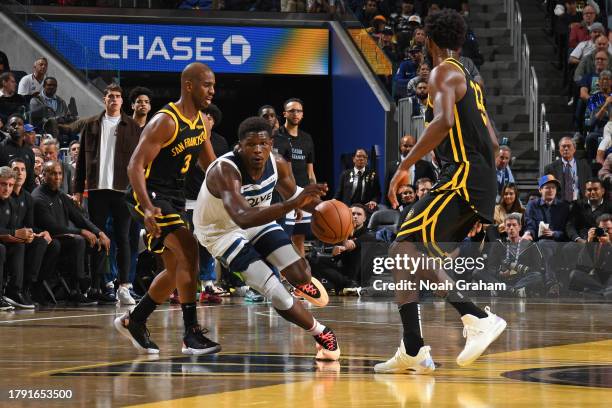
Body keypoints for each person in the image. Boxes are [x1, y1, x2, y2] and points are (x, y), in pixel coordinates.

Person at [382, 9, 506, 374]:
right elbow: (494, 141)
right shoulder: (467, 74)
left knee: (403, 247)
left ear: (429, 40)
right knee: (405, 250)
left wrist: (404, 166)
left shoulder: (442, 71)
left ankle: (475, 317)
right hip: (472, 176)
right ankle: (412, 347)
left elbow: (444, 121)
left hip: (463, 175)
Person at [193, 116, 340, 360]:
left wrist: (330, 212)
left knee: (302, 272)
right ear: (239, 146)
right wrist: (293, 203)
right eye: (251, 145)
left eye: (263, 144)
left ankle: (299, 281)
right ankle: (320, 332)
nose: (258, 150)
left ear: (271, 144)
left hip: (258, 220)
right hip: (221, 232)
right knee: (276, 292)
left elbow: (296, 196)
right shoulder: (225, 170)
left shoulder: (279, 164)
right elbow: (243, 217)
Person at [115, 62, 219, 355]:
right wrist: (147, 207)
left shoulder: (200, 121)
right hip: (149, 194)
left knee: (175, 271)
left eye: (213, 85)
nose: (212, 91)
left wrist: (235, 192)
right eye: (206, 85)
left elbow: (210, 166)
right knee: (189, 250)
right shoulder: (165, 120)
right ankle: (191, 334)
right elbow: (134, 165)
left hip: (173, 197)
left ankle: (134, 320)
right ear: (189, 85)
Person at [72, 84, 141, 305]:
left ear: (122, 101)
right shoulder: (91, 124)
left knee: (123, 238)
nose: (114, 99)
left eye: (118, 96)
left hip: (123, 190)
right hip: (96, 189)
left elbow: (141, 162)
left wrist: (140, 189)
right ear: (104, 99)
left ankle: (123, 286)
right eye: (110, 96)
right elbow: (81, 160)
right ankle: (98, 284)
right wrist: (76, 190)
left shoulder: (133, 126)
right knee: (98, 239)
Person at [32, 161, 110, 306]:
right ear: (43, 175)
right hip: (51, 242)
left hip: (66, 240)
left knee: (100, 243)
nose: (57, 177)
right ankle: (76, 290)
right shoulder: (38, 198)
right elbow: (53, 227)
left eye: (60, 173)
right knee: (79, 240)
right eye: (53, 173)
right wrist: (81, 231)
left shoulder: (61, 195)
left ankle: (95, 288)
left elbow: (79, 218)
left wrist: (99, 232)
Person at [9, 158, 60, 306]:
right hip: (10, 237)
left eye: (23, 170)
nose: (19, 173)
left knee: (51, 244)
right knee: (32, 244)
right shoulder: (5, 193)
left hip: (23, 237)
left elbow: (30, 225)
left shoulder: (28, 197)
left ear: (27, 174)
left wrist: (41, 232)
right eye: (16, 170)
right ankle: (19, 289)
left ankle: (33, 285)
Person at [276, 98, 316, 256]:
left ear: (303, 114)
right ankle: (283, 275)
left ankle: (302, 276)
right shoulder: (277, 136)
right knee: (283, 237)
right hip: (284, 192)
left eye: (299, 111)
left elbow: (311, 171)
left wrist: (313, 192)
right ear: (285, 113)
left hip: (303, 192)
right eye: (292, 110)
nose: (295, 114)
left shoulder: (307, 138)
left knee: (299, 238)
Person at [543, 136, 592, 202]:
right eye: (563, 146)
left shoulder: (585, 167)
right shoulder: (549, 168)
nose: (566, 148)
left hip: (580, 204)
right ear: (559, 149)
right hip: (558, 205)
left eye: (569, 146)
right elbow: (546, 189)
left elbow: (589, 185)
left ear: (574, 149)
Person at [0, 114, 36, 192]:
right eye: (13, 124)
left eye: (20, 124)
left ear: (24, 129)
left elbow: (30, 180)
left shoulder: (29, 152)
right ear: (7, 129)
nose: (16, 126)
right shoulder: (1, 148)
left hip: (24, 197)